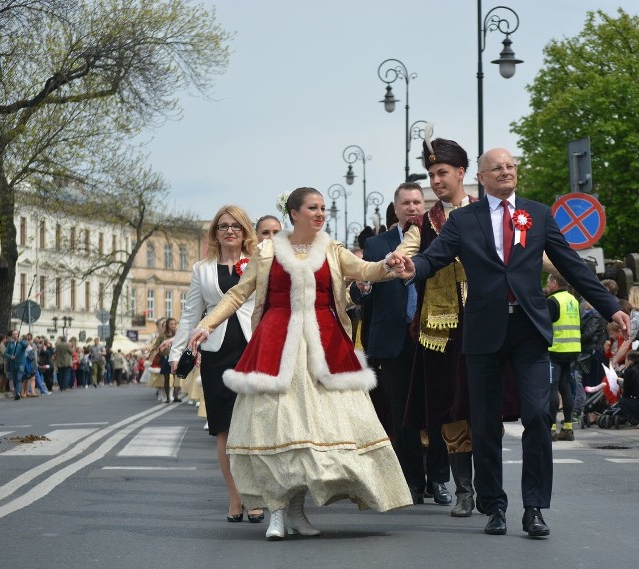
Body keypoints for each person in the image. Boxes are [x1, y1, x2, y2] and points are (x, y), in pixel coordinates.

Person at [392, 147, 628, 538]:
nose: (505, 171)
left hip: (529, 330)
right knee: (484, 423)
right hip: (483, 330)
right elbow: (434, 258)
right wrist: (411, 267)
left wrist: (608, 307)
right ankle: (493, 506)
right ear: (480, 179)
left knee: (537, 414)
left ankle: (534, 507)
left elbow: (570, 262)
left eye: (510, 166)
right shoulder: (464, 220)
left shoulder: (537, 213)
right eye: (496, 168)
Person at [187, 187, 411, 541]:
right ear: (294, 213)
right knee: (277, 430)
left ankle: (296, 510)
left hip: (325, 347)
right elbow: (237, 294)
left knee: (314, 435)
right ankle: (276, 512)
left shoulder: (332, 249)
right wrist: (206, 325)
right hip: (276, 347)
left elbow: (366, 270)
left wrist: (389, 264)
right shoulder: (267, 251)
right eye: (313, 208)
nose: (320, 213)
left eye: (323, 207)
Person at [395, 136, 484, 517]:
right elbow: (407, 252)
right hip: (441, 329)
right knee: (451, 408)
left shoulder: (487, 213)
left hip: (484, 320)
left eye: (442, 173)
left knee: (485, 405)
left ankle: (490, 488)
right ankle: (464, 490)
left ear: (461, 173)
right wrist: (389, 265)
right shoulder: (425, 223)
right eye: (431, 174)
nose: (435, 181)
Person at [351, 183, 451, 508]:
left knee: (438, 411)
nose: (412, 207)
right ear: (395, 208)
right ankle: (412, 481)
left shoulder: (438, 238)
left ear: (424, 206)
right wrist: (364, 287)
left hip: (432, 336)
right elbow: (365, 292)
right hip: (393, 340)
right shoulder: (377, 243)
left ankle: (439, 479)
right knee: (402, 414)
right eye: (405, 202)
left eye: (417, 202)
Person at [170, 205, 261, 524]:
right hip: (216, 355)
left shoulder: (259, 263)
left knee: (253, 426)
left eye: (236, 226)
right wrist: (175, 353)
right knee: (224, 429)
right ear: (215, 233)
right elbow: (191, 315)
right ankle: (235, 497)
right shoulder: (202, 270)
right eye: (223, 226)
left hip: (254, 349)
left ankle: (256, 494)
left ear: (245, 230)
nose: (230, 231)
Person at [545, 273, 581, 442]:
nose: (547, 286)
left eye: (548, 282)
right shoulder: (573, 300)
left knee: (552, 388)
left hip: (555, 349)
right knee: (566, 388)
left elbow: (544, 324)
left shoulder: (553, 301)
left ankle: (551, 428)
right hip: (572, 349)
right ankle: (567, 428)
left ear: (554, 283)